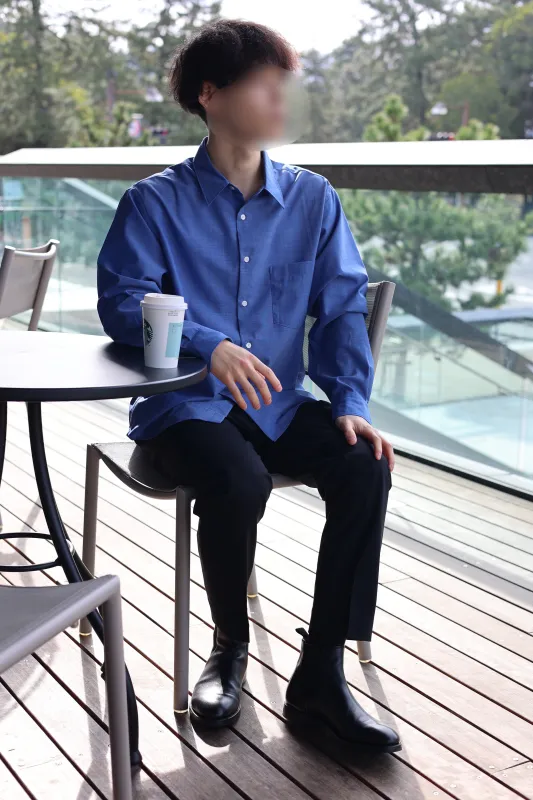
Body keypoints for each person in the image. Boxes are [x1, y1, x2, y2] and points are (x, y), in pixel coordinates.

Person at [97, 19, 400, 753]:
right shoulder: (153, 202)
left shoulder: (313, 200)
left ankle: (320, 674)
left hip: (277, 406)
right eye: (265, 85)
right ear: (210, 94)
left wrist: (350, 404)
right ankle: (228, 646)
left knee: (364, 465)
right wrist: (209, 344)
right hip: (183, 410)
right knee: (237, 480)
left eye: (282, 86)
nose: (279, 100)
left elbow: (340, 310)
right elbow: (120, 303)